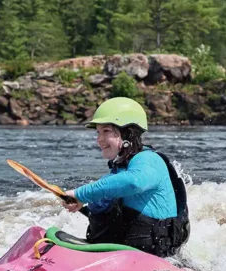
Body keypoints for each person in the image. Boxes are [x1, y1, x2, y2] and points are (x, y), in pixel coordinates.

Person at [62, 97, 190, 258]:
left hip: (157, 258)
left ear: (128, 133)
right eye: (98, 132)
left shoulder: (149, 160)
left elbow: (134, 182)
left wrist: (82, 194)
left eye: (106, 131)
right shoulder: (121, 169)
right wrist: (82, 205)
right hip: (124, 255)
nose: (99, 139)